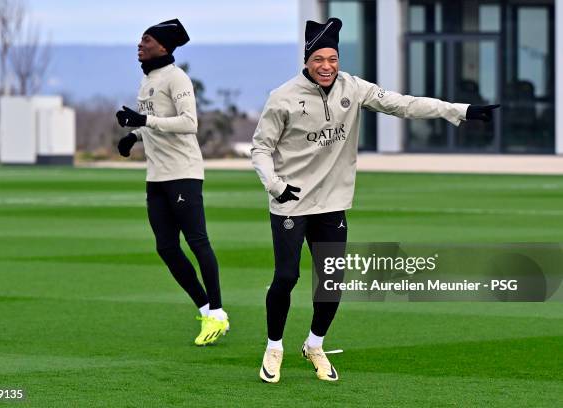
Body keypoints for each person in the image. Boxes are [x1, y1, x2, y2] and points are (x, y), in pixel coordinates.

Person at [251, 17, 499, 383]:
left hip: (333, 203)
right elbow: (260, 148)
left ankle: (314, 345)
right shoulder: (282, 97)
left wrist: (458, 110)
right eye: (319, 58)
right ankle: (274, 348)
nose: (326, 66)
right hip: (291, 201)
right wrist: (275, 186)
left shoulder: (354, 87)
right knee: (286, 276)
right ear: (306, 60)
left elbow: (404, 105)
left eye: (333, 58)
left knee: (332, 280)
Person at [115, 19, 229, 346]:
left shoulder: (177, 78)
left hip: (184, 173)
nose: (140, 44)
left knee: (197, 242)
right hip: (157, 176)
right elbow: (154, 123)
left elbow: (189, 123)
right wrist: (134, 135)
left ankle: (218, 312)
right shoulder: (147, 80)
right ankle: (206, 308)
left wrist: (144, 120)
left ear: (163, 47)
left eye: (146, 40)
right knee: (165, 247)